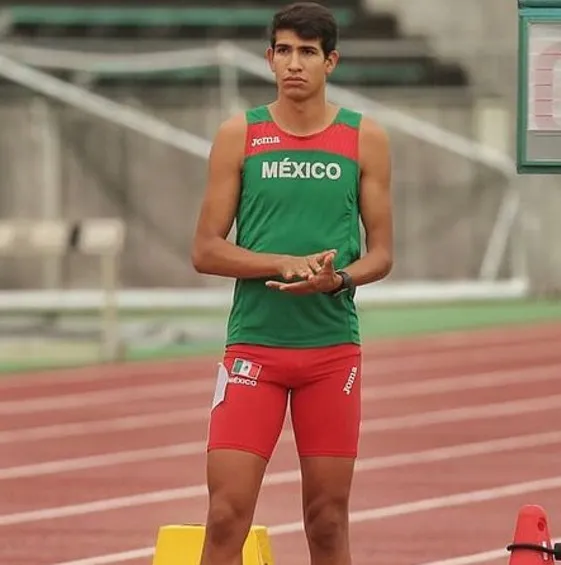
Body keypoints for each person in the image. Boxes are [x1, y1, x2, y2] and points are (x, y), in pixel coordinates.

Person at [189, 2, 393, 563]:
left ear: (331, 61)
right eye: (284, 51)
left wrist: (337, 280)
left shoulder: (364, 138)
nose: (294, 64)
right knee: (226, 515)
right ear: (269, 58)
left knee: (327, 520)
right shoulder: (241, 135)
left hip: (330, 355)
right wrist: (281, 263)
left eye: (307, 52)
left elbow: (382, 255)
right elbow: (205, 250)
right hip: (254, 346)